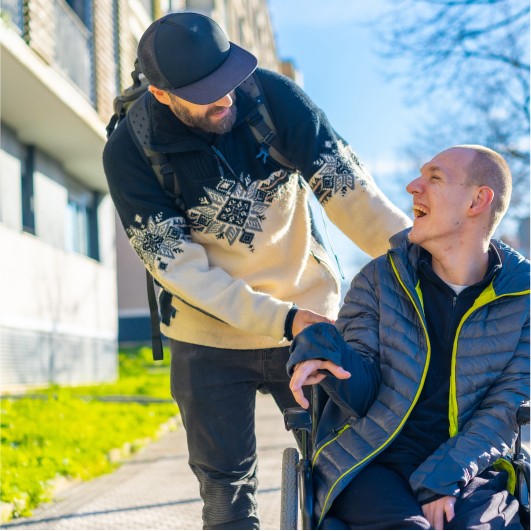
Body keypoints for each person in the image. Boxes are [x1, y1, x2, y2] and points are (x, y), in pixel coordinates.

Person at [103, 11, 411, 530]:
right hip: (209, 338)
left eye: (228, 79)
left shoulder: (272, 98)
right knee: (227, 492)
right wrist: (283, 319)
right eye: (204, 92)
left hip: (310, 318)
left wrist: (425, 259)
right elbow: (180, 269)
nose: (226, 97)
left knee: (343, 474)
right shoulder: (130, 151)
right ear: (162, 95)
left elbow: (354, 197)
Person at [288, 144, 530, 530]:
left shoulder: (523, 300)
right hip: (371, 460)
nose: (412, 187)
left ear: (478, 200)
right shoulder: (379, 279)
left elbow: (505, 410)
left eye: (434, 178)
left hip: (469, 465)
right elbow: (361, 391)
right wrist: (323, 346)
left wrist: (444, 478)